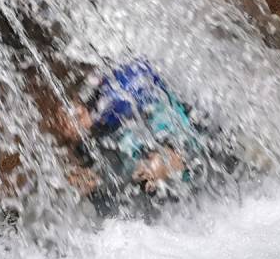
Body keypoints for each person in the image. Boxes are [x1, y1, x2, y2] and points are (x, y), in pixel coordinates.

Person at [54, 59, 203, 219]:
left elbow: (180, 154)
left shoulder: (124, 109)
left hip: (185, 141)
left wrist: (158, 166)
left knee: (156, 167)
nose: (64, 127)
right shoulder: (96, 123)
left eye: (67, 119)